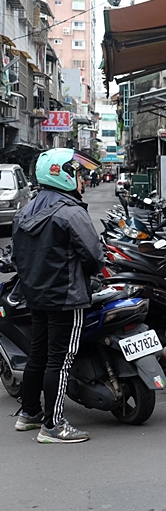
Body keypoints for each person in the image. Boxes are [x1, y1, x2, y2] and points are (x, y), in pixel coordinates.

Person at [12, 149, 103, 443]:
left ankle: (29, 413)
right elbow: (94, 257)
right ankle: (53, 425)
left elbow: (17, 256)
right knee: (60, 360)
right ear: (62, 174)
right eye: (77, 173)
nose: (82, 180)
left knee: (37, 354)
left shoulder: (25, 210)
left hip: (35, 295)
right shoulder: (72, 212)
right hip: (67, 296)